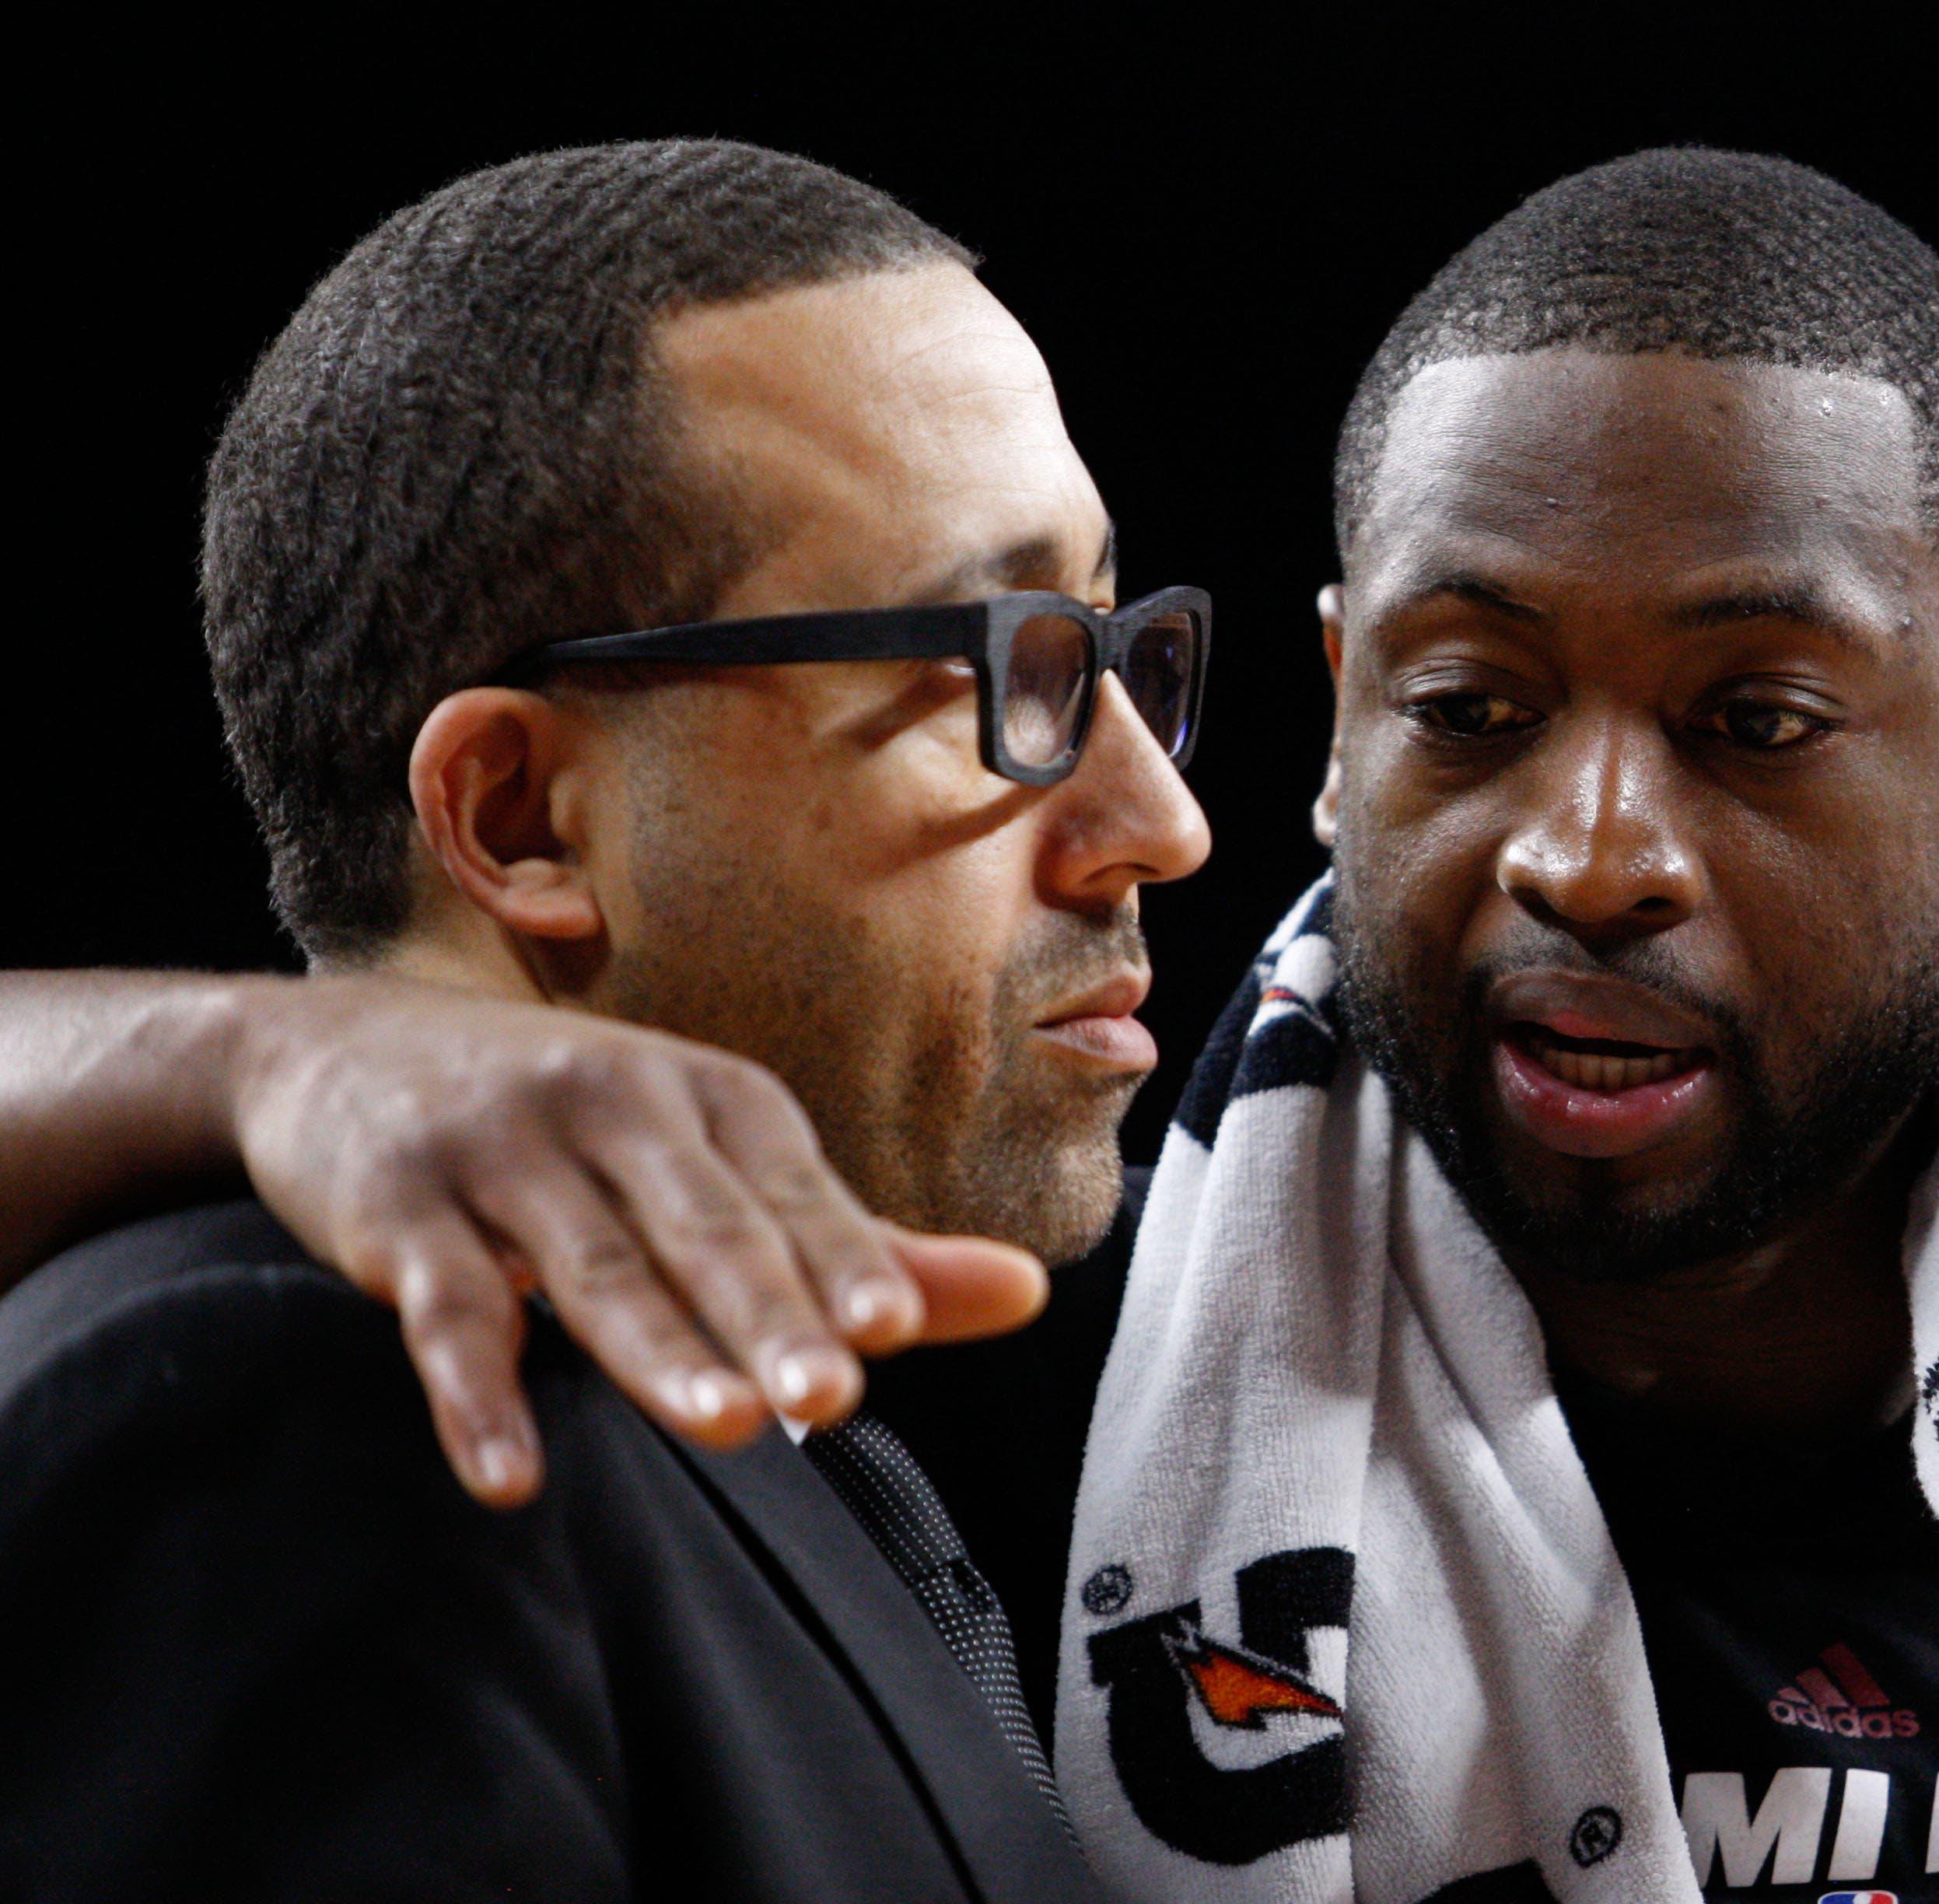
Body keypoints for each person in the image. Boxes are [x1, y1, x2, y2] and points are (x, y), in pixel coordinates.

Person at [4, 151, 1939, 1902]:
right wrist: (275, 1048)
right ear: (1346, 708)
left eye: (1750, 715)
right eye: (1463, 707)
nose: (1588, 844)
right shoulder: (1003, 1331)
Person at [0, 138, 1216, 1901]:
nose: (1159, 825)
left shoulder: (715, 1438)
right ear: (516, 819)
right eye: (1002, 674)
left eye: (1108, 650)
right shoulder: (319, 1414)